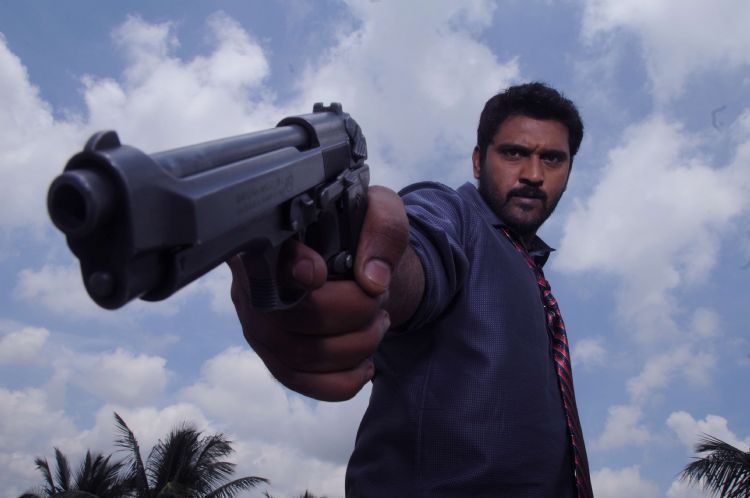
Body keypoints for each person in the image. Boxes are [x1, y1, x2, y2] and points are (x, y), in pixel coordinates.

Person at [229, 82, 593, 497]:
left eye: (552, 159)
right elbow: (417, 251)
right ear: (478, 162)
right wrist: (365, 271)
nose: (533, 175)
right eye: (514, 153)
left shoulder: (532, 271)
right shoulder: (455, 214)